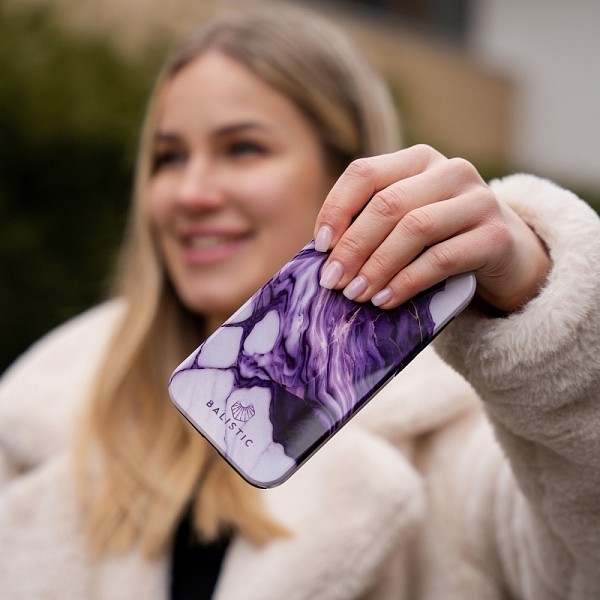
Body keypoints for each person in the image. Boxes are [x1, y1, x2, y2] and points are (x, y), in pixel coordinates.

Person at [1, 3, 599, 599]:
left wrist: (548, 317)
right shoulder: (42, 402)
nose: (191, 192)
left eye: (243, 148)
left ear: (350, 172)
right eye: (170, 156)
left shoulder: (453, 426)